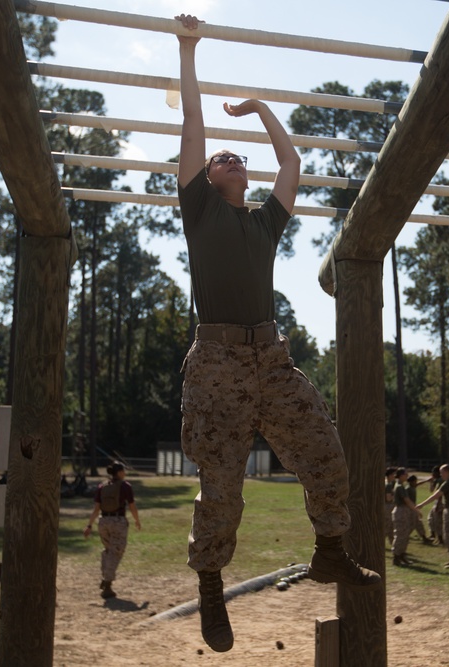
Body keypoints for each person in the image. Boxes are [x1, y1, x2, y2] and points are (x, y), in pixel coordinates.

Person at [174, 13, 381, 654]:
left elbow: (291, 160)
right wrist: (189, 49)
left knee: (324, 451)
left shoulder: (264, 224)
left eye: (238, 158)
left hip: (270, 356)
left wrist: (262, 108)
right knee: (223, 487)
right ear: (208, 179)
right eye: (221, 160)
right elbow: (194, 126)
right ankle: (211, 584)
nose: (232, 158)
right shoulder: (199, 211)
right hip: (216, 362)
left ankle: (329, 550)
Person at [84, 461, 141, 599]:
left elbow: (96, 509)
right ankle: (107, 583)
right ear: (119, 472)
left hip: (103, 522)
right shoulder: (125, 486)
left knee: (109, 550)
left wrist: (89, 525)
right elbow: (132, 506)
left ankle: (105, 576)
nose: (125, 473)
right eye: (123, 471)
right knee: (116, 552)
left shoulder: (102, 487)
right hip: (118, 521)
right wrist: (137, 520)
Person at [416, 464, 449, 568]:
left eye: (442, 472)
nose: (440, 474)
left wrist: (421, 504)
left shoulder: (448, 483)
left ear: (447, 472)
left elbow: (435, 495)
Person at [390, 468, 421, 566]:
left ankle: (402, 555)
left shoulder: (401, 486)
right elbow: (407, 500)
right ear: (401, 475)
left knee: (405, 535)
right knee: (400, 535)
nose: (407, 476)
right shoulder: (399, 487)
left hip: (404, 512)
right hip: (400, 512)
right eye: (405, 474)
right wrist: (417, 510)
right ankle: (396, 557)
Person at [406, 474, 432, 544]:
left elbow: (419, 484)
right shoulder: (408, 489)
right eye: (415, 481)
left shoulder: (412, 486)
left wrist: (427, 480)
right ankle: (404, 537)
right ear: (412, 481)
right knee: (412, 524)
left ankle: (424, 537)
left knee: (418, 523)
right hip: (410, 508)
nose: (416, 482)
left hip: (413, 508)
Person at [385, 467, 397, 547]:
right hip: (388, 507)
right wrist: (396, 496)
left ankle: (393, 544)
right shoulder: (388, 485)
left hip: (385, 506)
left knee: (390, 526)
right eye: (393, 474)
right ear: (390, 475)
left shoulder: (385, 483)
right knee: (388, 526)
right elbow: (388, 498)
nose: (395, 476)